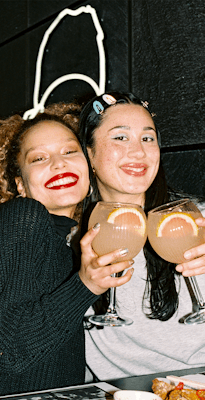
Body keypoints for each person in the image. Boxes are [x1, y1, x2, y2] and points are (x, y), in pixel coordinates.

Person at [0, 102, 133, 398]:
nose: (58, 164)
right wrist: (84, 286)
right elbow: (3, 352)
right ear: (20, 185)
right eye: (38, 158)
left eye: (69, 151)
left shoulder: (70, 241)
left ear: (89, 167)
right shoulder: (23, 216)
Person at [79, 92, 205, 382]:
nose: (138, 152)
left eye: (148, 138)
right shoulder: (74, 241)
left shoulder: (196, 220)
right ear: (90, 154)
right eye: (120, 138)